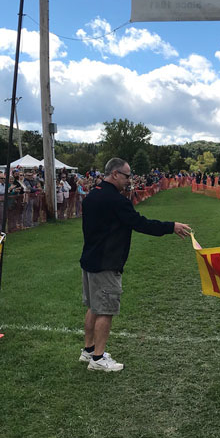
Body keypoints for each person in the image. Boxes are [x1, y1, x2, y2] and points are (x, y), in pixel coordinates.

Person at [79, 158, 191, 372]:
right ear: (114, 174)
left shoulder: (92, 195)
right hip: (106, 263)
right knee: (105, 310)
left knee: (93, 306)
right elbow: (140, 223)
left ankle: (89, 350)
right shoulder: (116, 200)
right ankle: (98, 359)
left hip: (90, 259)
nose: (129, 180)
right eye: (126, 176)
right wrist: (171, 226)